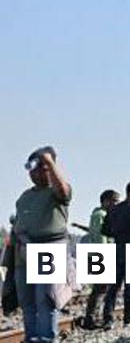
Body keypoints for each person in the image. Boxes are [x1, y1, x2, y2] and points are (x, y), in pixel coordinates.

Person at [11, 146, 71, 343]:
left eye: (41, 168)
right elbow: (18, 226)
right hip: (25, 252)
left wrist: (50, 161)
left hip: (49, 249)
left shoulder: (56, 192)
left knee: (45, 300)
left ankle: (46, 338)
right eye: (33, 169)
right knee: (27, 301)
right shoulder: (25, 197)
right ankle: (31, 337)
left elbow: (62, 190)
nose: (35, 173)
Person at [101, 180, 130, 327]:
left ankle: (108, 319)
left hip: (117, 250)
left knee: (113, 288)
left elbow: (105, 231)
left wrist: (119, 234)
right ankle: (128, 318)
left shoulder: (113, 209)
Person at [78, 189, 118, 330]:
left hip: (99, 255)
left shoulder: (103, 215)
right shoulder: (100, 215)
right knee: (100, 288)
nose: (116, 204)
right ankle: (90, 318)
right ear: (106, 201)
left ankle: (92, 317)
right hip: (100, 255)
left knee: (100, 288)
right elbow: (100, 238)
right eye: (114, 201)